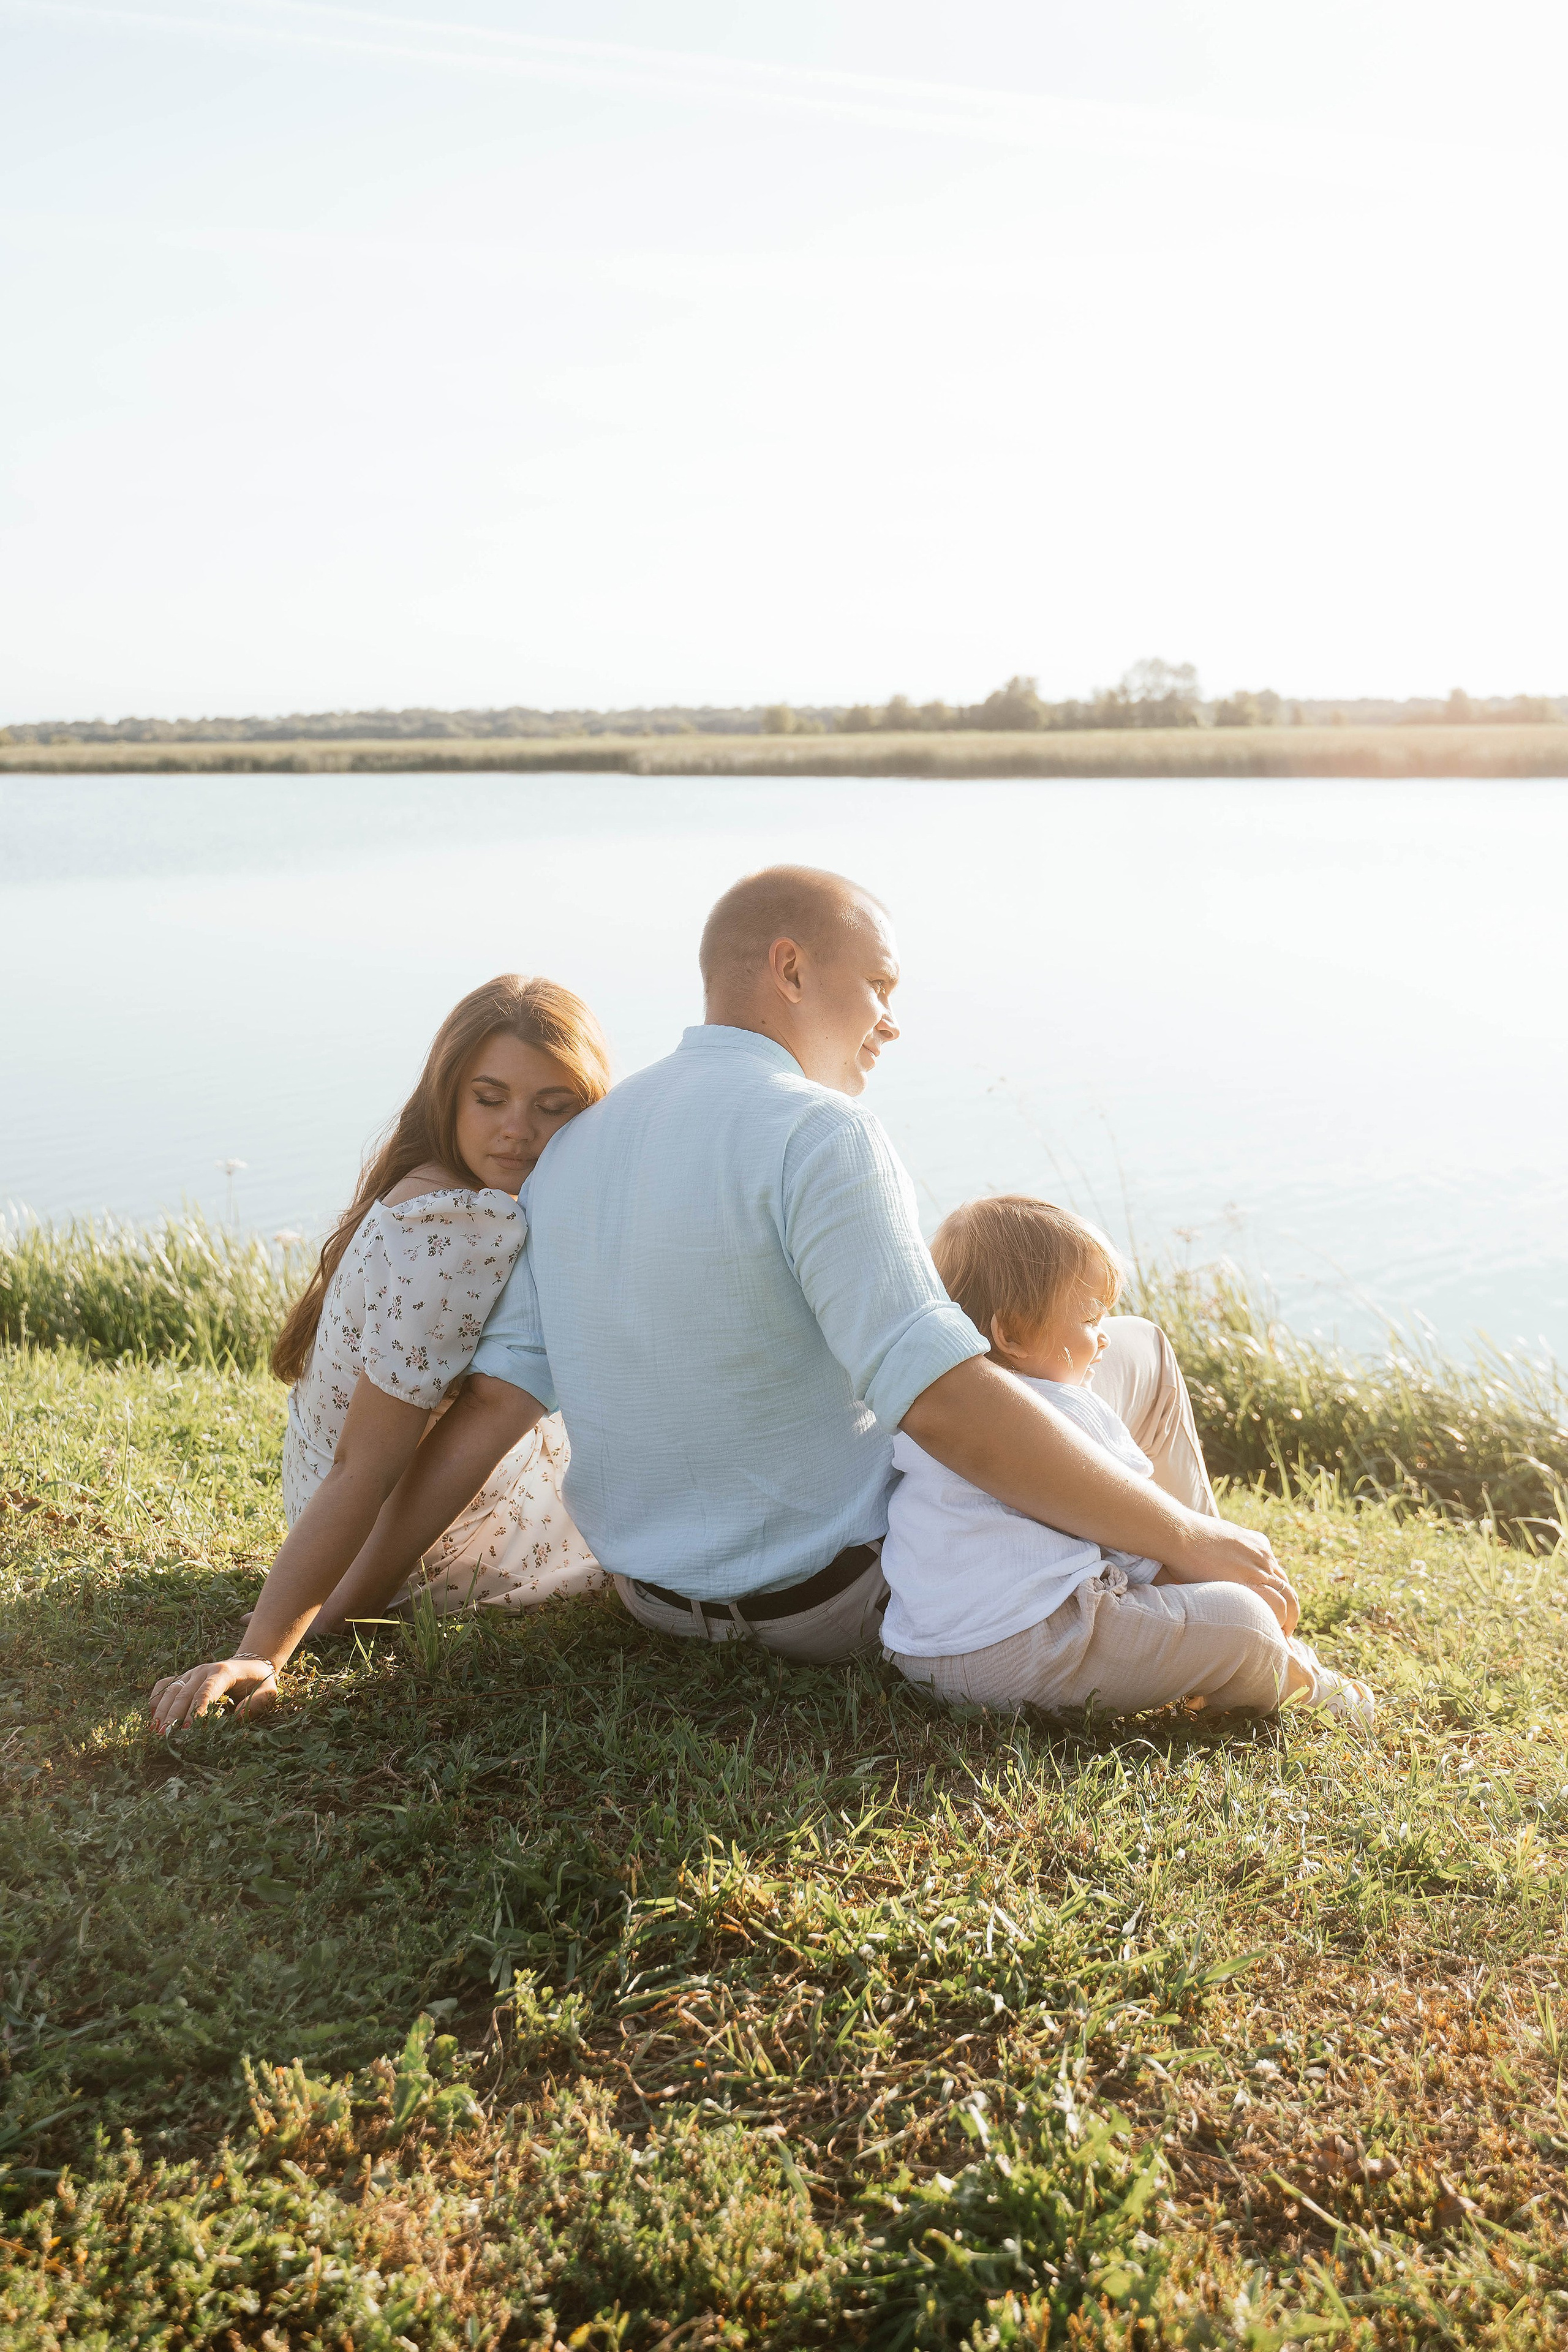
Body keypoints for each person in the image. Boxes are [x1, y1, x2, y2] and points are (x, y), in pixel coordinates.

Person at [146, 864, 1298, 1741]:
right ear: (791, 968)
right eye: (880, 989)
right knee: (1128, 1347)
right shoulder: (822, 1131)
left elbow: (486, 1414)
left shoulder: (582, 1148)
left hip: (659, 1603)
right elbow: (941, 1402)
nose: (891, 1021)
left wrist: (296, 1633)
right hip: (837, 1606)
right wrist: (1189, 1527)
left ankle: (1164, 1579)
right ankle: (1194, 1572)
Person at [149, 974, 609, 1732]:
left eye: (552, 1107)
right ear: (449, 1097)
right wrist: (269, 1649)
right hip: (410, 1548)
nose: (516, 1131)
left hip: (342, 1520)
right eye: (489, 1099)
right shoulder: (464, 1231)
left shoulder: (426, 1187)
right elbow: (363, 1465)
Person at [882, 1195, 1374, 1721]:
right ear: (1014, 1333)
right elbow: (1141, 1545)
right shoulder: (1066, 1414)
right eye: (1092, 1319)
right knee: (1243, 1621)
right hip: (1033, 1645)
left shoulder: (929, 1419)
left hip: (923, 1655)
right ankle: (1301, 1683)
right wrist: (1232, 1589)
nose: (1103, 1342)